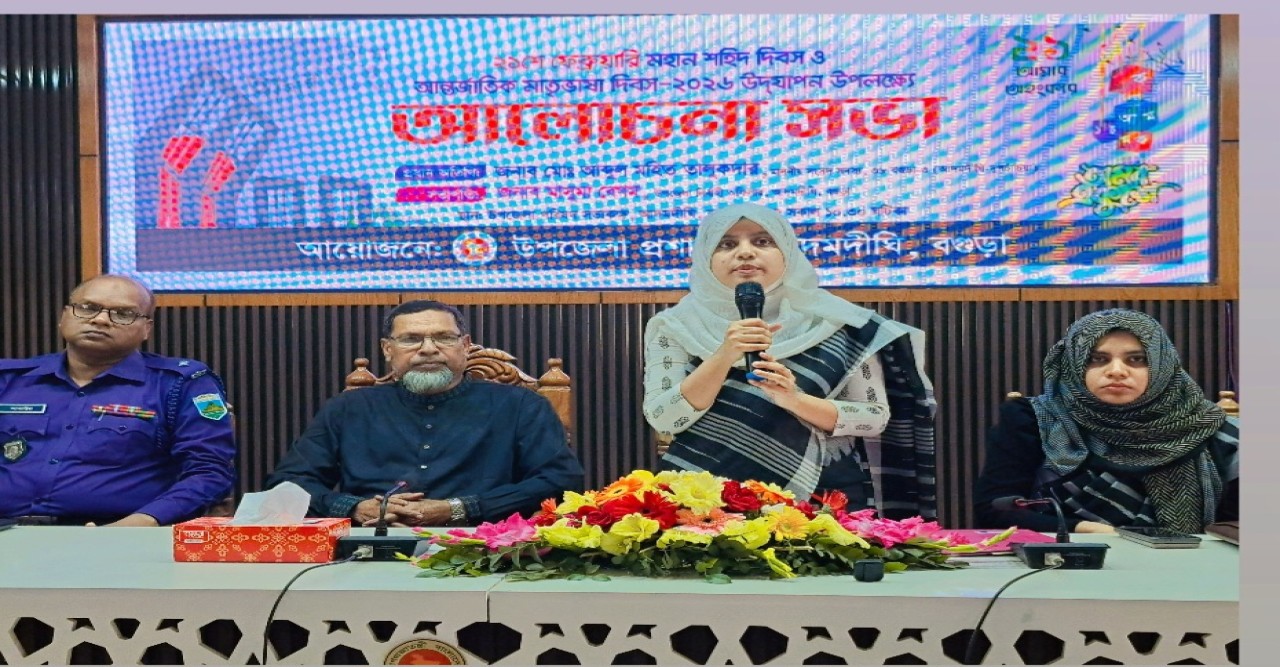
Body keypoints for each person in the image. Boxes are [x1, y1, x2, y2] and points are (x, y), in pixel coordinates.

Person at [642, 203, 937, 519]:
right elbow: (664, 419)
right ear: (705, 257)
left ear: (788, 252)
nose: (745, 252)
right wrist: (724, 355)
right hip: (704, 506)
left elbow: (874, 417)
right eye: (726, 244)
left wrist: (795, 400)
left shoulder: (840, 323)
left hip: (821, 505)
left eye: (763, 241)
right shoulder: (675, 326)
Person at [266, 300, 584, 526]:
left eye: (444, 337)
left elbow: (560, 480)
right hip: (368, 544)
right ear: (387, 349)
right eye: (411, 339)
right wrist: (354, 507)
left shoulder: (520, 405)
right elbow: (287, 483)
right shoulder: (348, 408)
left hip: (484, 545)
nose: (429, 349)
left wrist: (459, 508)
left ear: (465, 345)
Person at [974, 308, 1239, 534]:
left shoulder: (1208, 428)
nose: (1116, 371)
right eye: (1097, 359)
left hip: (1191, 569)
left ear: (1162, 365)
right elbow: (993, 511)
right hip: (1062, 566)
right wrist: (1082, 529)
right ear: (1074, 365)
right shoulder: (1035, 419)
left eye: (1137, 359)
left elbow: (1236, 528)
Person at [0, 275, 236, 526]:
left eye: (123, 314)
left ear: (146, 328)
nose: (100, 320)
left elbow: (209, 470)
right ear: (64, 316)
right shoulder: (9, 379)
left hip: (119, 533)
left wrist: (144, 521)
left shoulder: (179, 383)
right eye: (87, 308)